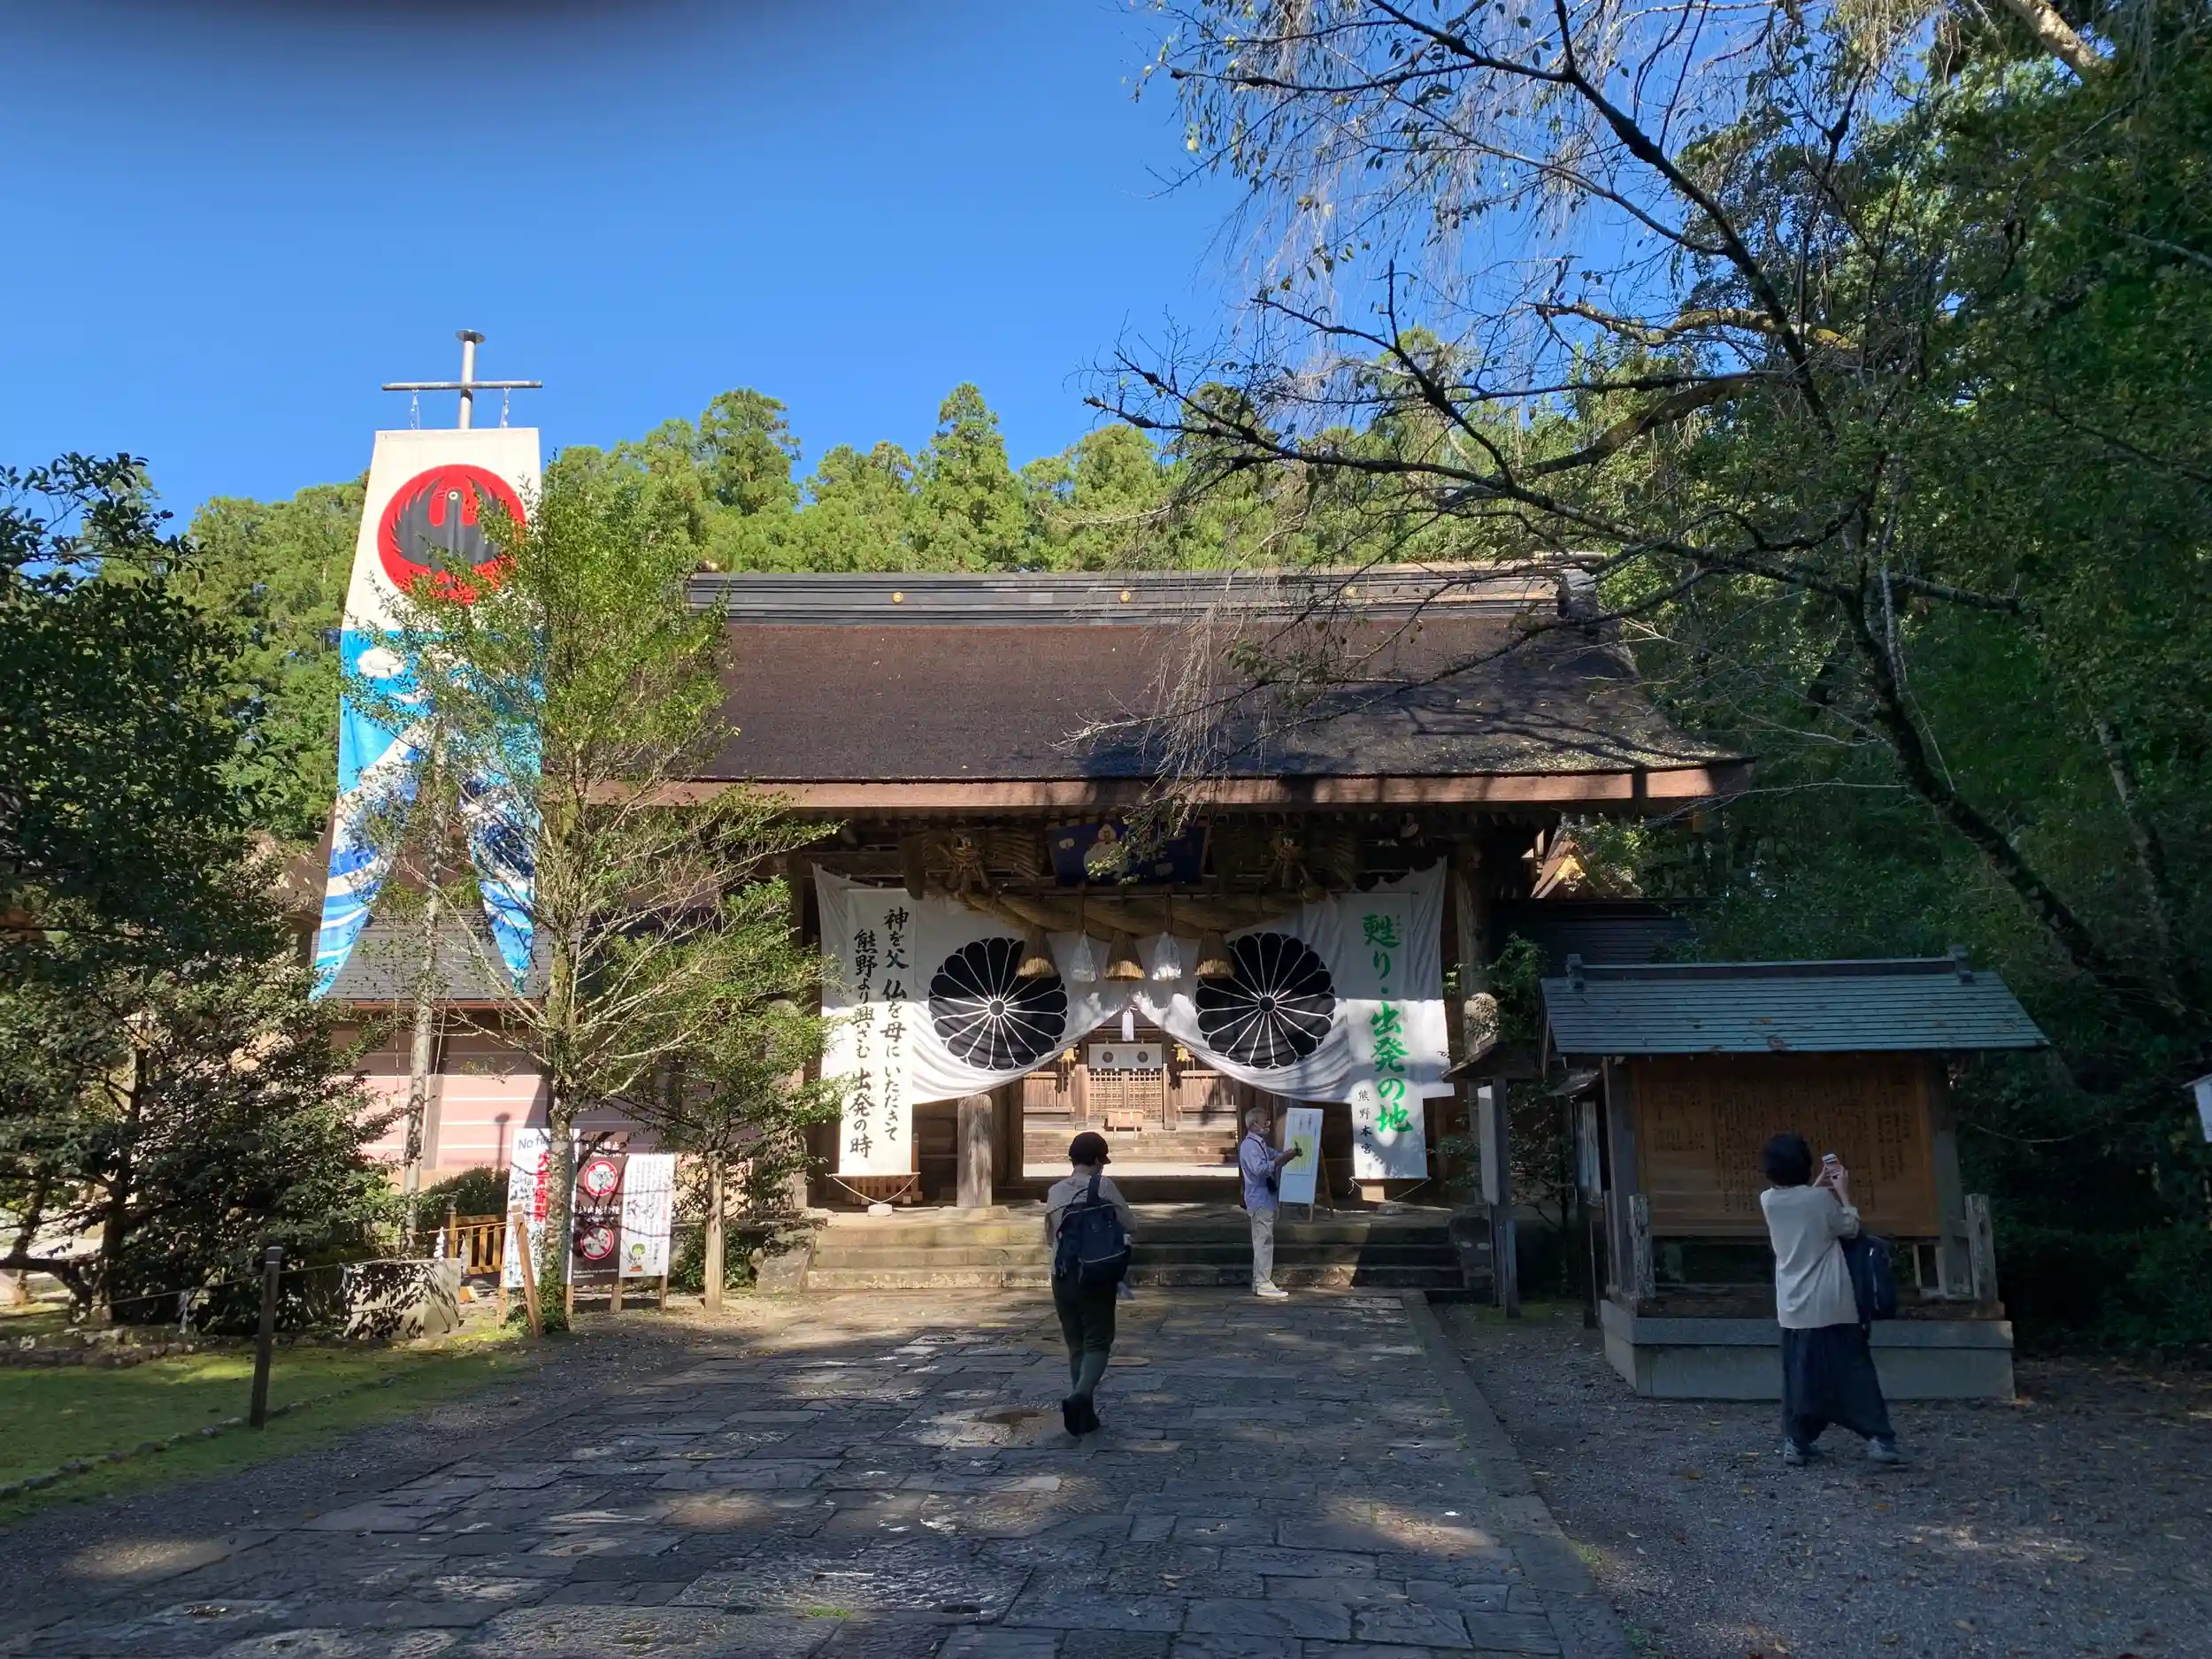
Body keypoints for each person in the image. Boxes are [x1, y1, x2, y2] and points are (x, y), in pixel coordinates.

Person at [1759, 1132, 1903, 1467]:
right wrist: (1842, 1191)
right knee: (1854, 1373)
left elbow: (1803, 1210)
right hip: (1831, 1301)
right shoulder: (1821, 1201)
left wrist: (1819, 1187)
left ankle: (1797, 1442)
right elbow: (1849, 1227)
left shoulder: (1768, 1200)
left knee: (1800, 1379)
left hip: (1793, 1307)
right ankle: (1879, 1438)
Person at [1044, 1132, 1136, 1435]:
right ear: (1097, 1159)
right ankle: (1080, 1397)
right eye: (1102, 1161)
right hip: (1095, 1273)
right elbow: (1129, 1223)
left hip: (1061, 1274)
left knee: (1076, 1344)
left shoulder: (1055, 1191)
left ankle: (1084, 1415)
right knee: (1097, 1340)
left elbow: (1049, 1237)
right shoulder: (1103, 1186)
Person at [1238, 1107, 1300, 1300]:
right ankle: (1263, 1283)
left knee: (1264, 1241)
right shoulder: (1249, 1146)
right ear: (1253, 1124)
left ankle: (1259, 1281)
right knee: (1263, 1243)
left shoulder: (1260, 1143)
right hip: (1259, 1199)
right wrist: (1280, 1159)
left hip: (1265, 1198)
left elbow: (1273, 1155)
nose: (1268, 1125)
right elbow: (1261, 1170)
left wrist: (1286, 1155)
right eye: (1264, 1122)